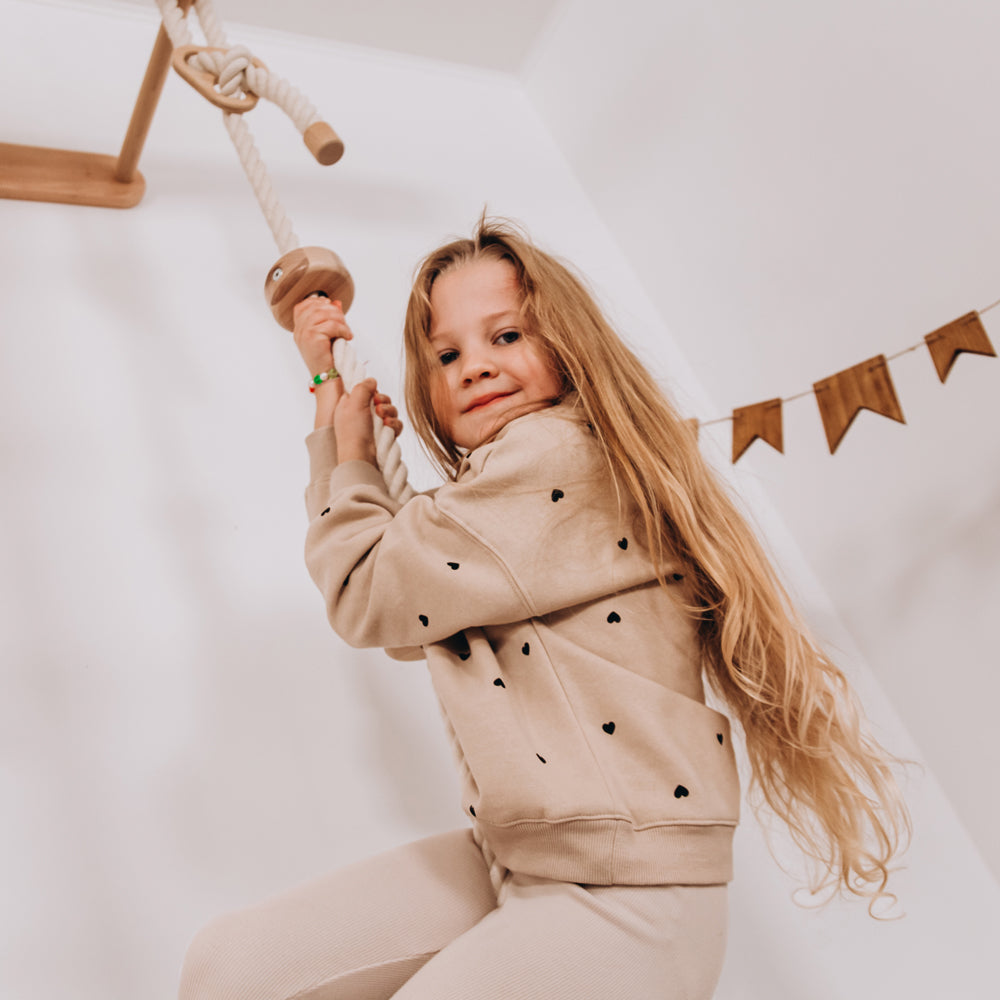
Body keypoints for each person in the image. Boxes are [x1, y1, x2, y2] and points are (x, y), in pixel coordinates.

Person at [178, 218, 910, 1000]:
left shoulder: (557, 454)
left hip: (629, 894)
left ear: (567, 346)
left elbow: (369, 597)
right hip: (525, 860)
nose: (475, 368)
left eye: (506, 336)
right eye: (447, 355)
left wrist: (345, 447)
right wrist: (337, 408)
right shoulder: (499, 501)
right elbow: (411, 616)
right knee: (233, 970)